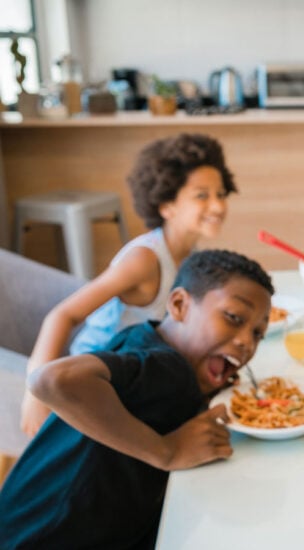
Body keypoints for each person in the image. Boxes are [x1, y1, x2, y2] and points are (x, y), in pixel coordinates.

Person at [0, 249, 273, 549]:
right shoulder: (168, 368)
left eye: (258, 333)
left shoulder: (144, 339)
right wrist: (166, 450)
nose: (247, 341)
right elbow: (50, 380)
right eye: (233, 318)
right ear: (180, 304)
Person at [20, 133, 237, 436]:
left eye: (221, 193)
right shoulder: (144, 261)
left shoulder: (191, 256)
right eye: (202, 195)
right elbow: (63, 315)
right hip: (94, 380)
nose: (217, 206)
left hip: (135, 371)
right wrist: (36, 391)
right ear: (166, 205)